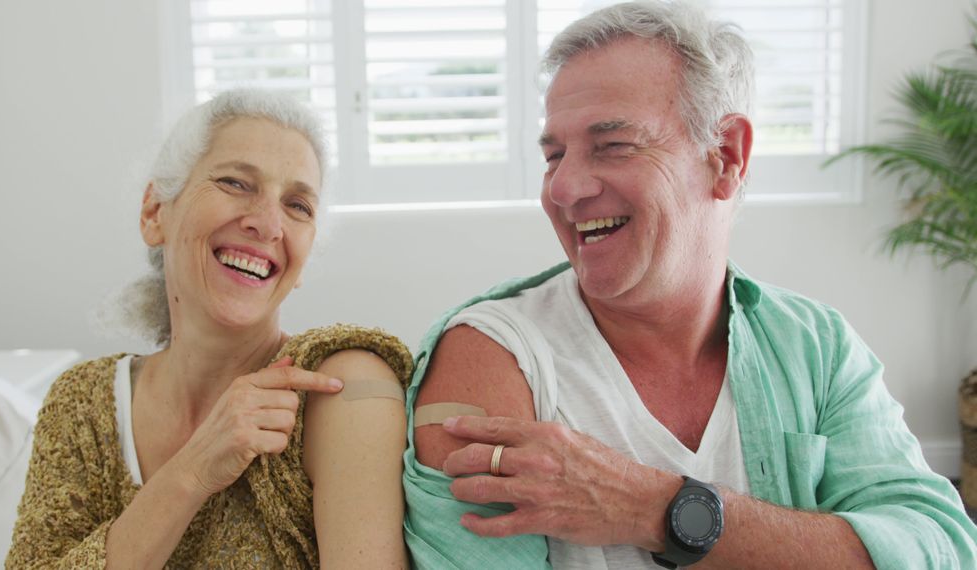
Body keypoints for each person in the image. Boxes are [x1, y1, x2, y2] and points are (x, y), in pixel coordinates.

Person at [404, 2, 977, 568]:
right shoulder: (495, 356)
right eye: (554, 155)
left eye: (613, 145)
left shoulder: (816, 346)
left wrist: (657, 509)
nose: (564, 188)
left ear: (726, 156)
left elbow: (939, 547)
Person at [6, 89, 412, 569]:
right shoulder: (82, 404)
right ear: (155, 213)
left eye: (298, 206)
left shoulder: (341, 389)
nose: (267, 224)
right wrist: (193, 470)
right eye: (237, 183)